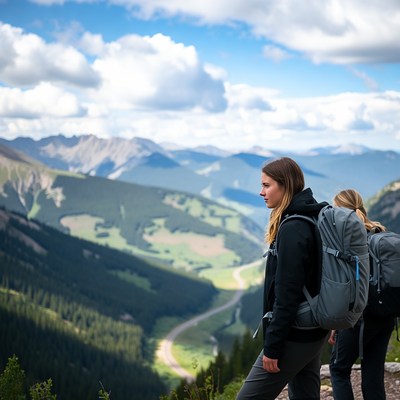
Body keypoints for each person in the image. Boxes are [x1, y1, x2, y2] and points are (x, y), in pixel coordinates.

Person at [236, 157, 329, 400]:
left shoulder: (293, 228)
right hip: (314, 327)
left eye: (267, 185)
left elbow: (286, 294)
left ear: (285, 185)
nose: (261, 192)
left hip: (296, 332)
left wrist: (273, 346)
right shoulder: (312, 214)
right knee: (305, 394)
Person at [329, 189, 395, 400]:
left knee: (339, 369)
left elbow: (342, 286)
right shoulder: (379, 231)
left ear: (340, 211)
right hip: (386, 315)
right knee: (373, 372)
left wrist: (335, 324)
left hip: (358, 318)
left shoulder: (347, 241)